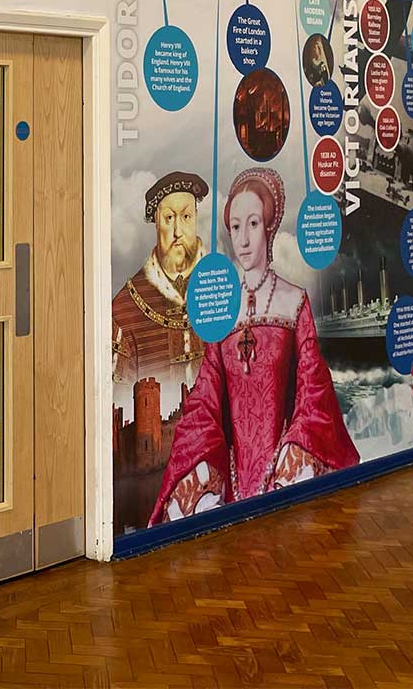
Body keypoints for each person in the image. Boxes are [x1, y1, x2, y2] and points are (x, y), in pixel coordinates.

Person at [150, 167, 358, 523]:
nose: (243, 239)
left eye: (253, 224)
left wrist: (293, 456)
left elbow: (314, 392)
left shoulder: (294, 302)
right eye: (235, 226)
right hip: (229, 483)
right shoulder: (222, 307)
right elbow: (206, 397)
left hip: (286, 473)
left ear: (269, 227)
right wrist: (200, 468)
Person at [112, 172, 209, 385]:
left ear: (196, 219)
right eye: (169, 218)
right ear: (156, 223)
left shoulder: (222, 288)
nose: (178, 231)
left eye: (186, 217)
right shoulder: (124, 309)